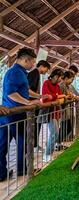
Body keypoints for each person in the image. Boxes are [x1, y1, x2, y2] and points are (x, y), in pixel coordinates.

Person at [0, 48, 41, 181]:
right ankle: (19, 170)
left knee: (12, 143)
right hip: (13, 113)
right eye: (32, 62)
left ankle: (18, 170)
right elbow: (11, 94)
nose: (33, 65)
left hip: (13, 113)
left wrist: (39, 96)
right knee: (14, 143)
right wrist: (27, 103)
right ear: (25, 60)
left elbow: (25, 90)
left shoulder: (20, 72)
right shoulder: (15, 72)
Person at [41, 69, 66, 162]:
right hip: (50, 112)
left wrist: (58, 96)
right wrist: (58, 97)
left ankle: (49, 152)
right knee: (54, 133)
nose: (60, 80)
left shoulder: (57, 86)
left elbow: (60, 96)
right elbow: (47, 97)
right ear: (56, 76)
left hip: (57, 112)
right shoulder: (46, 83)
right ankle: (47, 155)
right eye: (60, 78)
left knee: (54, 133)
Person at [27, 60, 51, 152]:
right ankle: (32, 147)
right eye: (46, 69)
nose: (46, 72)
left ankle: (34, 145)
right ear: (42, 66)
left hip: (33, 102)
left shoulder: (35, 73)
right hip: (31, 103)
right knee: (33, 125)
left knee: (36, 124)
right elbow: (28, 89)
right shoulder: (34, 73)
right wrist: (39, 97)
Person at [59, 71, 75, 147]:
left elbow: (68, 96)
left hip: (66, 109)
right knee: (66, 127)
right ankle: (57, 143)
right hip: (62, 110)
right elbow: (62, 98)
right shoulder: (61, 86)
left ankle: (59, 143)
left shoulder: (66, 86)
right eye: (71, 79)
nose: (71, 81)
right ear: (66, 78)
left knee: (66, 127)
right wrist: (69, 98)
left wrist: (70, 97)